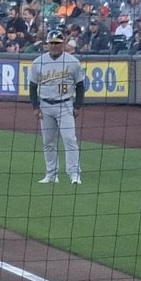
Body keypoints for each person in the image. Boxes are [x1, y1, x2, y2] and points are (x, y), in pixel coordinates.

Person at [29, 30, 85, 185]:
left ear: (63, 44)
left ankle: (74, 174)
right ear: (47, 44)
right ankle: (51, 174)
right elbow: (33, 86)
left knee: (69, 140)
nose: (54, 46)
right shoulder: (38, 62)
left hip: (65, 105)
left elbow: (80, 86)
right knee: (48, 142)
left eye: (57, 43)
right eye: (52, 43)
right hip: (45, 105)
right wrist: (35, 107)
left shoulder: (73, 62)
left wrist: (77, 106)